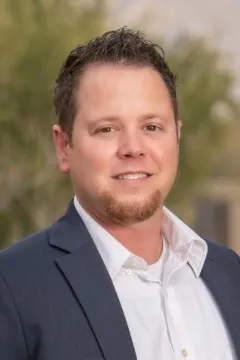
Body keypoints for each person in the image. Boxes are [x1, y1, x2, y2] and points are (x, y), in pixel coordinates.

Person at [0, 27, 239, 360]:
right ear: (63, 147)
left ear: (176, 137)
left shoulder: (229, 273)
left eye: (152, 127)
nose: (133, 148)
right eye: (106, 129)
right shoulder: (12, 288)